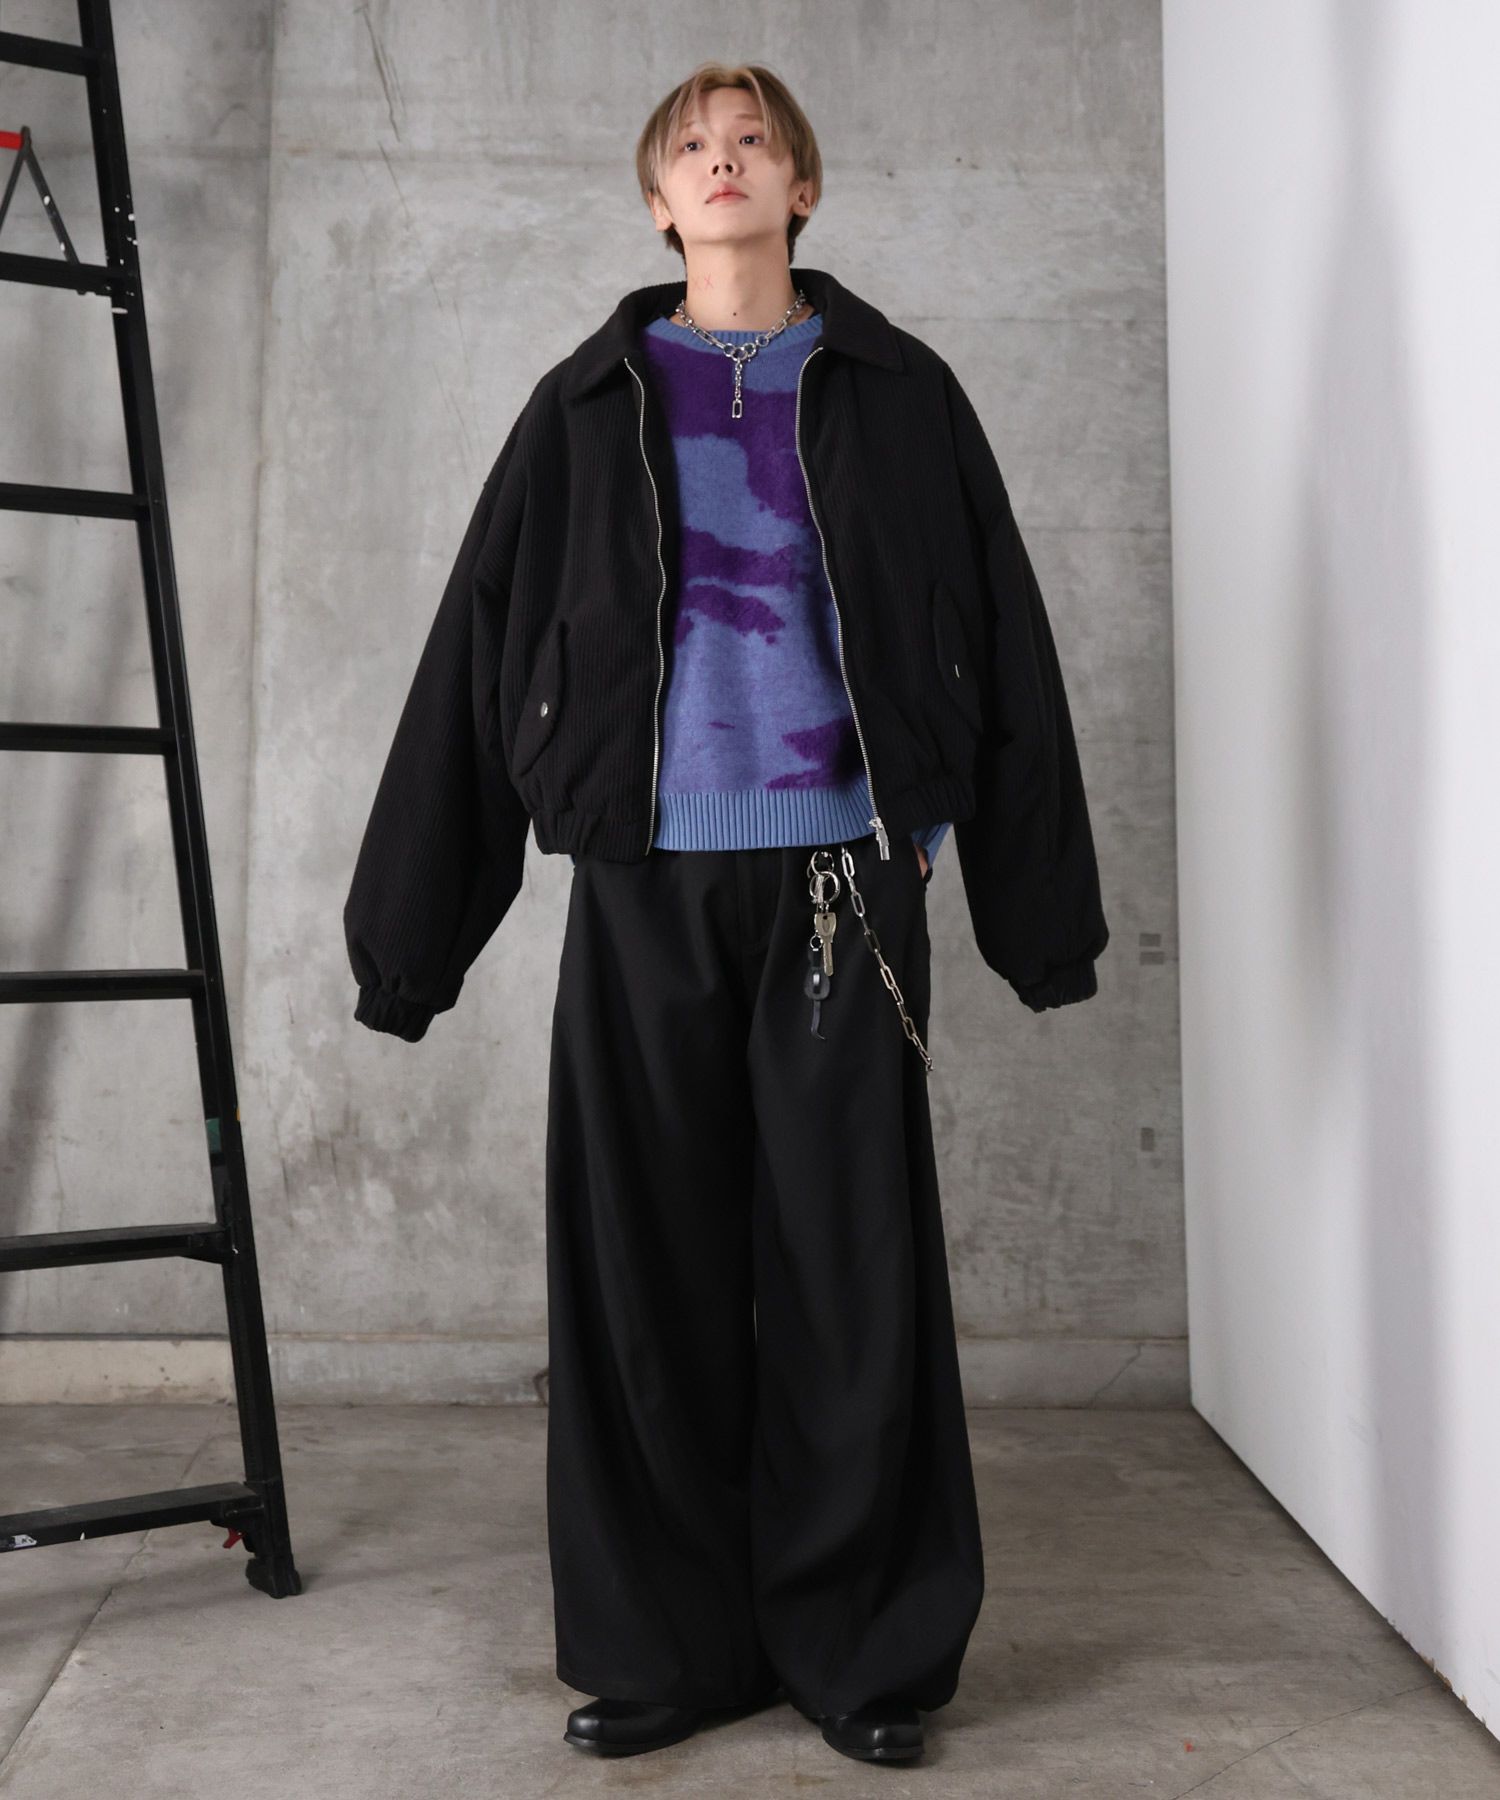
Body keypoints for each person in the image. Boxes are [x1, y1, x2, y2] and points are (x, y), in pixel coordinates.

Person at [343, 60, 1109, 1767]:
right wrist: (410, 941)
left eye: (754, 139)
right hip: (645, 878)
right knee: (645, 1274)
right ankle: (664, 1649)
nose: (724, 159)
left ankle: (863, 1654)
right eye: (692, 145)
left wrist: (1030, 909)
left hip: (850, 875)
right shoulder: (582, 404)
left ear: (802, 188)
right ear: (656, 202)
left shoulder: (901, 392)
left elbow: (1006, 638)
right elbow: (478, 652)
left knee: (852, 1274)